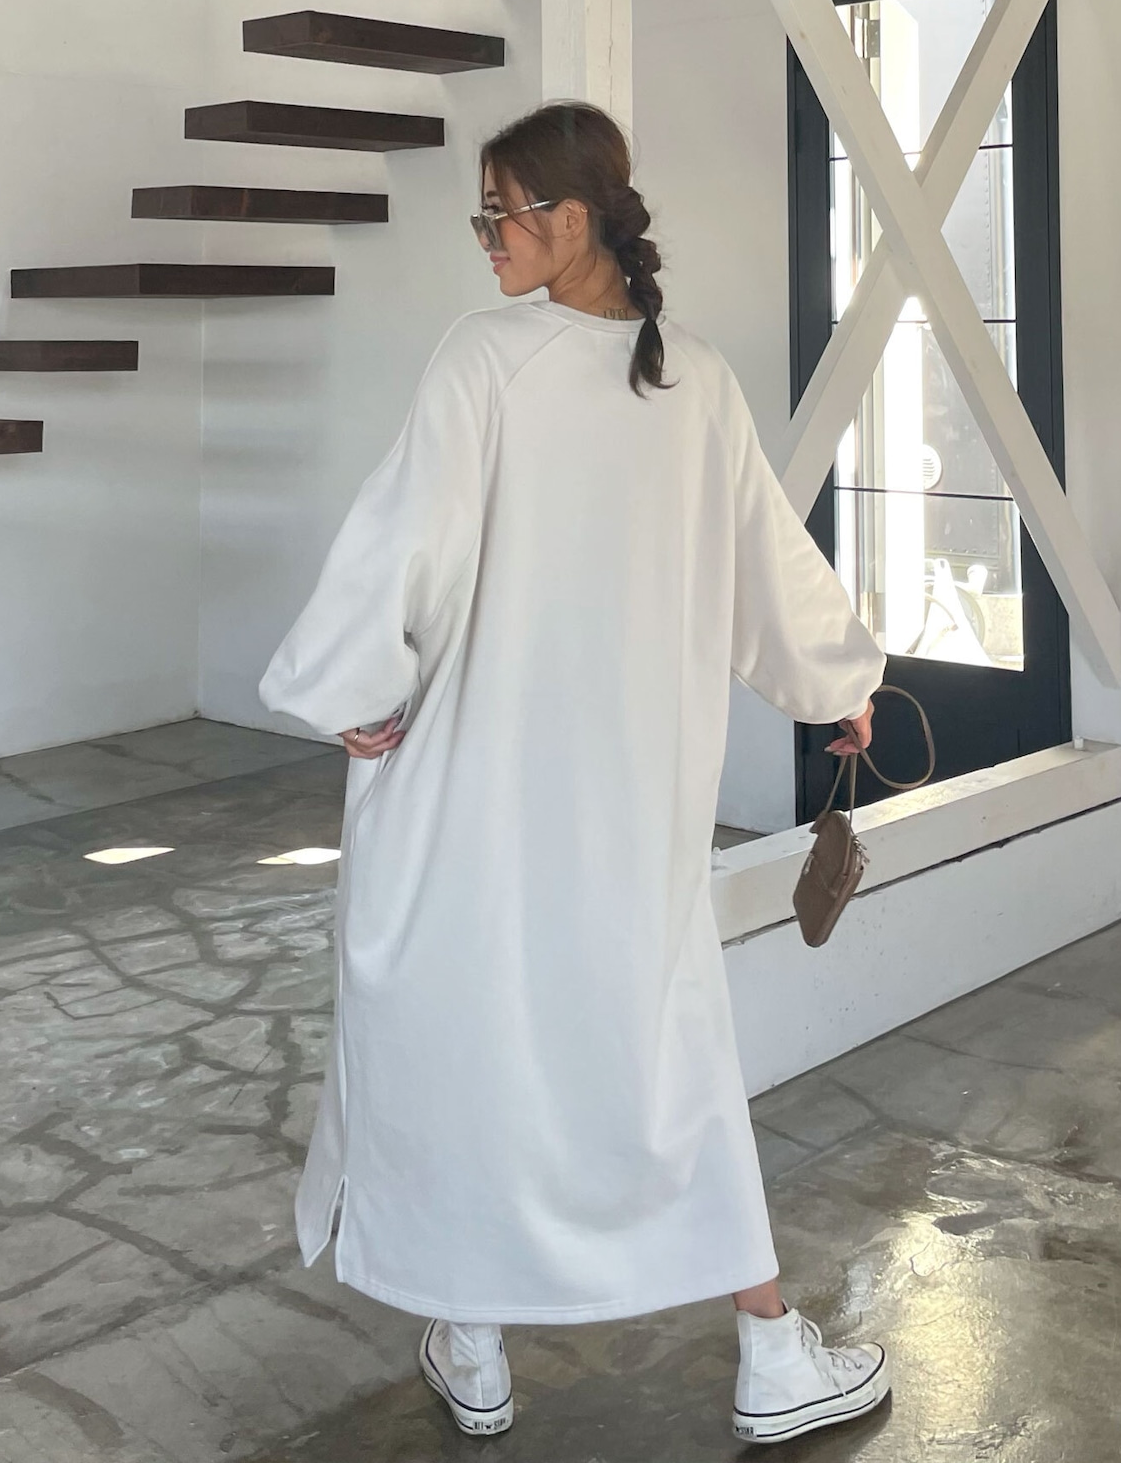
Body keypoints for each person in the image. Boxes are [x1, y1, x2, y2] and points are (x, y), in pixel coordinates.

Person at [258, 100, 890, 1447]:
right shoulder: (692, 377)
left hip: (476, 795)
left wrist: (352, 689)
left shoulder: (488, 360)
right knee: (660, 1055)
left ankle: (479, 1346)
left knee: (471, 1041)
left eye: (504, 214)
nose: (486, 239)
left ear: (575, 216)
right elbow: (767, 563)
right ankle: (763, 1353)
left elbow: (400, 540)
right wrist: (837, 680)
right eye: (483, 216)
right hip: (626, 803)